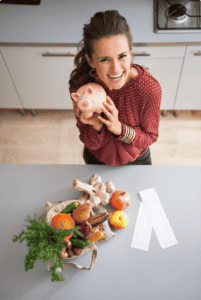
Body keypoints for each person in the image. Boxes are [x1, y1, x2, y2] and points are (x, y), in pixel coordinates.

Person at [69, 10, 162, 166]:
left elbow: (150, 137)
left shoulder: (149, 89)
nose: (116, 69)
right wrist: (97, 126)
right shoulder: (81, 85)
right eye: (105, 59)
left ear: (131, 53)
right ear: (91, 61)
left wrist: (119, 128)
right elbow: (90, 142)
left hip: (137, 159)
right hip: (96, 158)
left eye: (122, 56)